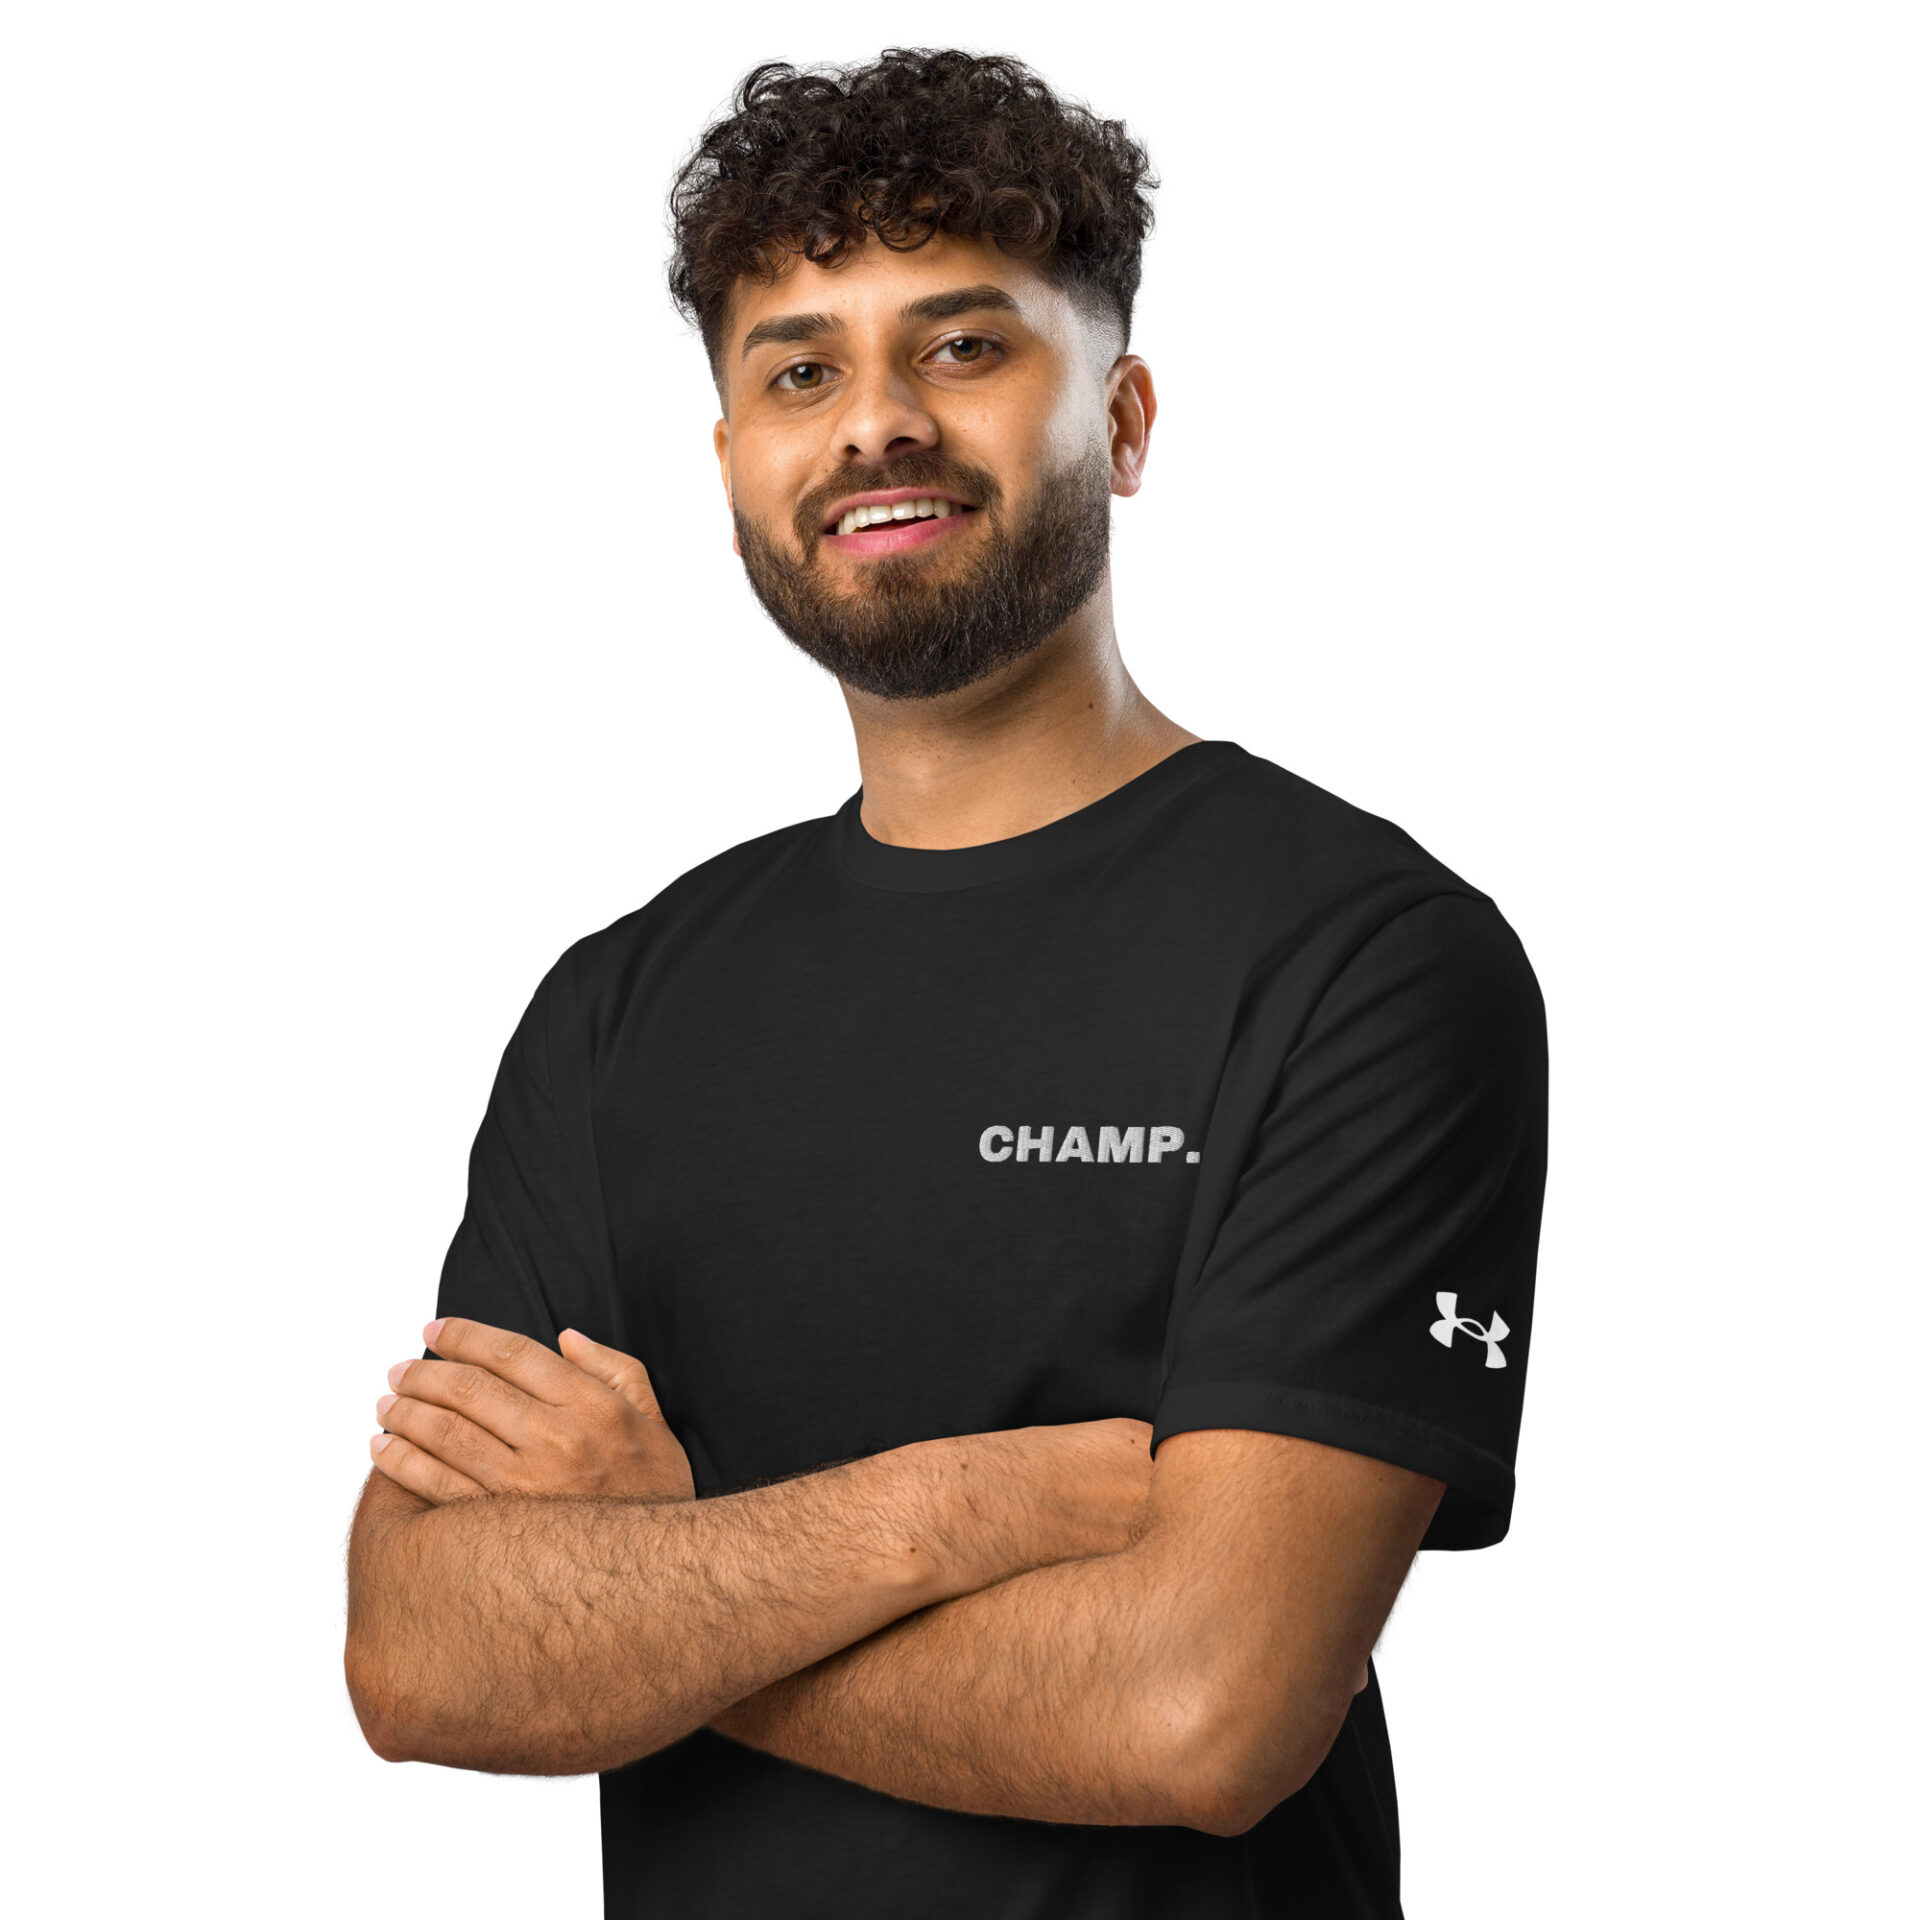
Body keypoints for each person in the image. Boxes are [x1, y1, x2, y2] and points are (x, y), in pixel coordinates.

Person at [344, 47, 1548, 1920]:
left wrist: (658, 1589)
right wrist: (950, 1515)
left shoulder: (1364, 961)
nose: (875, 423)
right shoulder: (618, 1010)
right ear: (736, 455)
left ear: (1125, 418)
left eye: (966, 346)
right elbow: (424, 1659)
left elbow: (1199, 1714)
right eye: (799, 368)